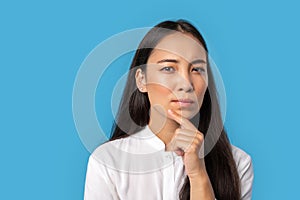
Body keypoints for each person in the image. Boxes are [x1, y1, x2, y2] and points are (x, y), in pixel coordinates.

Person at [84, 19, 254, 200]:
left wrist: (198, 174)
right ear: (142, 80)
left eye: (196, 69)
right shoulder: (108, 161)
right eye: (168, 68)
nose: (186, 84)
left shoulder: (237, 163)